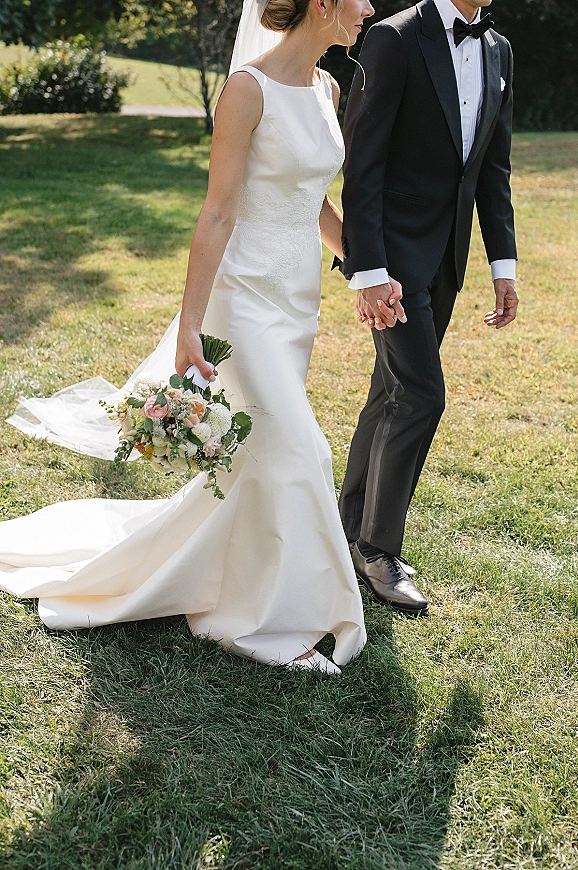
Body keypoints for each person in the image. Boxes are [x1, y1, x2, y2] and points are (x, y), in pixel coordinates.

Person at [0, 0, 375, 674]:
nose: (372, 8)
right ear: (323, 4)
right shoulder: (246, 89)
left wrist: (368, 271)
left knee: (257, 459)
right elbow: (218, 210)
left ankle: (240, 577)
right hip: (245, 301)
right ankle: (259, 623)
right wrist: (190, 326)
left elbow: (312, 197)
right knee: (301, 453)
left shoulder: (327, 87)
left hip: (297, 303)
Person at [337, 0, 518, 615]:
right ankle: (379, 550)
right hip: (391, 262)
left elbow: (492, 168)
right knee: (420, 396)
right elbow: (363, 160)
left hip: (448, 258)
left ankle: (347, 525)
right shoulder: (394, 38)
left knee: (390, 390)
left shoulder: (498, 51)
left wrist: (503, 264)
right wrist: (366, 269)